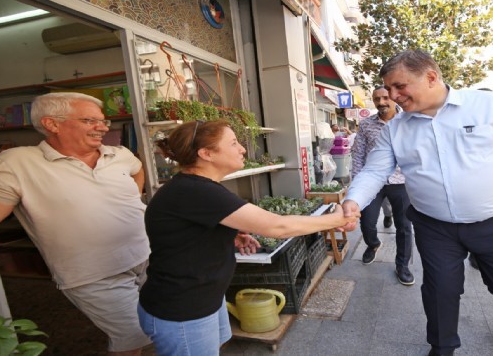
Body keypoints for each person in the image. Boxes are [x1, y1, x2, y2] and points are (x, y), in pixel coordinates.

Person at [341, 50, 493, 356]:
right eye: (388, 89)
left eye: (400, 86)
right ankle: (442, 347)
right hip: (434, 227)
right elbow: (375, 170)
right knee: (440, 291)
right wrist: (354, 201)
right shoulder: (395, 129)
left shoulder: (490, 105)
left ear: (431, 77)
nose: (393, 96)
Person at [138, 120, 358, 356]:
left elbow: (185, 233)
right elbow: (277, 226)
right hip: (183, 310)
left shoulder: (197, 188)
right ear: (206, 154)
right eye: (233, 143)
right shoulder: (197, 191)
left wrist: (230, 234)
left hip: (202, 300)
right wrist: (335, 220)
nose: (243, 149)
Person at [0, 92, 152, 355]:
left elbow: (138, 168)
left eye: (103, 121)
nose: (102, 127)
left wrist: (133, 195)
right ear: (51, 124)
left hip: (147, 256)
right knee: (134, 338)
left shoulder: (118, 154)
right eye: (90, 120)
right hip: (93, 274)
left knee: (160, 325)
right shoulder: (17, 162)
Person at [350, 86, 415, 285]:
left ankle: (402, 266)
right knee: (367, 221)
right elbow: (358, 154)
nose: (381, 102)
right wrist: (357, 183)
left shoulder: (409, 121)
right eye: (377, 99)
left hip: (401, 181)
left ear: (394, 98)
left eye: (385, 98)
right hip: (373, 181)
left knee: (404, 226)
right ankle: (373, 244)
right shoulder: (366, 124)